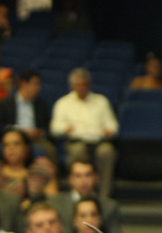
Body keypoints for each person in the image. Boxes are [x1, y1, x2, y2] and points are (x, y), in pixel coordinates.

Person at [50, 67, 118, 198]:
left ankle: (104, 196)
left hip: (99, 141)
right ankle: (78, 195)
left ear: (89, 85)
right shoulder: (63, 103)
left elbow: (113, 124)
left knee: (108, 152)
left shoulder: (101, 101)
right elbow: (54, 127)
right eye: (78, 85)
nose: (81, 87)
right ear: (72, 86)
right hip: (76, 141)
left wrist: (110, 130)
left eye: (84, 84)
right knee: (78, 151)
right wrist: (65, 128)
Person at [48, 158, 123, 233]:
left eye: (88, 175)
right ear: (70, 179)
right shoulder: (55, 204)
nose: (83, 180)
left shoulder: (109, 206)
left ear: (96, 178)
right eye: (78, 176)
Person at [0, 69, 57, 165]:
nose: (38, 88)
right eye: (35, 84)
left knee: (50, 149)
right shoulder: (5, 104)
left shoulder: (41, 105)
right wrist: (18, 131)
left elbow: (46, 127)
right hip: (12, 137)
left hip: (35, 139)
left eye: (38, 84)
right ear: (23, 84)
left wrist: (39, 132)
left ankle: (52, 178)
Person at [0, 129, 58, 211]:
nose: (11, 148)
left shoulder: (42, 168)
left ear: (26, 147)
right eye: (6, 145)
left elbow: (53, 201)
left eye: (16, 144)